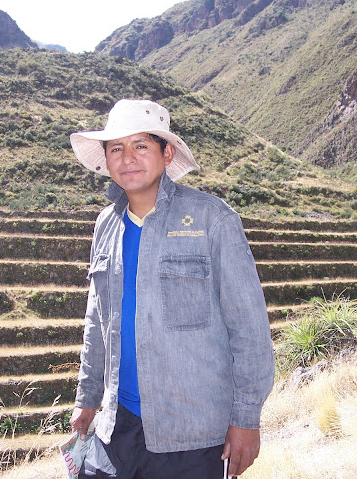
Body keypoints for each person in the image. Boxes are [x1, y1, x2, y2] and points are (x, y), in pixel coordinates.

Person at [69, 99, 274, 479]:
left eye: (140, 145)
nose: (128, 158)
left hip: (192, 432)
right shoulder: (106, 226)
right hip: (118, 425)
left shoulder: (212, 219)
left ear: (167, 154)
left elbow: (249, 326)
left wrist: (247, 418)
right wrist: (88, 398)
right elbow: (97, 322)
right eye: (116, 148)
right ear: (107, 160)